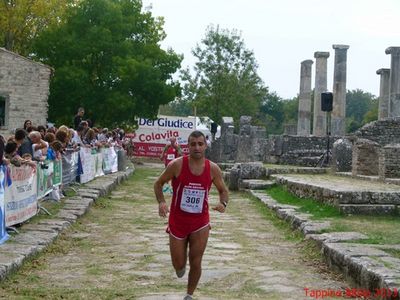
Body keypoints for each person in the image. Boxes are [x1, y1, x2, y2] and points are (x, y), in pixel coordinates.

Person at [154, 130, 229, 300]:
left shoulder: (213, 168)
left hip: (200, 222)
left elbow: (223, 190)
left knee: (196, 260)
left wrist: (223, 203)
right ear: (187, 146)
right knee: (179, 265)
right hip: (178, 221)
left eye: (200, 144)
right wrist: (161, 202)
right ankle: (180, 267)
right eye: (193, 144)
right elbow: (158, 184)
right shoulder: (177, 165)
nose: (196, 147)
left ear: (205, 146)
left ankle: (189, 295)